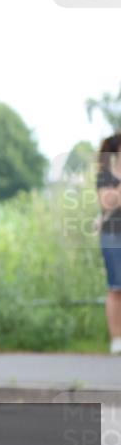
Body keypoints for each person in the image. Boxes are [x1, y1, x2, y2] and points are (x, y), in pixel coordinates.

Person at [96, 133, 121, 354]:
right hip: (113, 235)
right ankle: (116, 339)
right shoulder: (105, 176)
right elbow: (108, 202)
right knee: (116, 286)